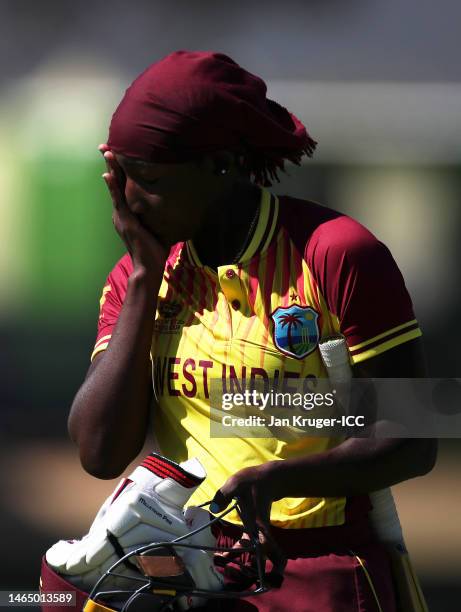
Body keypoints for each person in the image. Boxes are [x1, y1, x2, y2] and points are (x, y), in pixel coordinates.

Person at [58, 51, 436, 611]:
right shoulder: (140, 278)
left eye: (151, 178)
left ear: (221, 163)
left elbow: (412, 440)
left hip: (318, 570)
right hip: (185, 571)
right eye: (121, 176)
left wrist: (277, 479)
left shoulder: (335, 254)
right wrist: (143, 278)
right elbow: (99, 452)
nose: (129, 201)